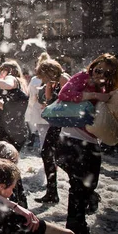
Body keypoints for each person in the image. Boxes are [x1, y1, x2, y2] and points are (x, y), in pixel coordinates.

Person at [55, 53, 118, 234]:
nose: (100, 75)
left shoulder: (108, 87)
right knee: (79, 194)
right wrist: (94, 96)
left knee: (83, 192)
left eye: (106, 73)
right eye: (97, 70)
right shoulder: (83, 77)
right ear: (92, 67)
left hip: (91, 143)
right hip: (72, 142)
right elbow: (64, 94)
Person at [33, 59, 71, 204]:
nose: (42, 79)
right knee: (47, 154)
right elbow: (49, 99)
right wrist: (48, 85)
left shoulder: (64, 78)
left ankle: (86, 190)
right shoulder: (53, 81)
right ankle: (52, 192)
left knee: (60, 158)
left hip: (65, 125)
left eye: (42, 75)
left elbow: (68, 101)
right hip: (56, 123)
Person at [0, 60, 30, 151]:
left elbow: (8, 84)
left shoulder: (11, 78)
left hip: (9, 129)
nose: (1, 75)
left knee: (4, 159)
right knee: (11, 159)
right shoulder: (22, 83)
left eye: (2, 71)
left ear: (7, 71)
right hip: (19, 128)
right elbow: (6, 106)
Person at [25, 52, 51, 150]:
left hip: (40, 110)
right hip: (53, 110)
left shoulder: (35, 79)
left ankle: (45, 155)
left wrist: (29, 111)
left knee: (43, 136)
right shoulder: (54, 78)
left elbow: (32, 97)